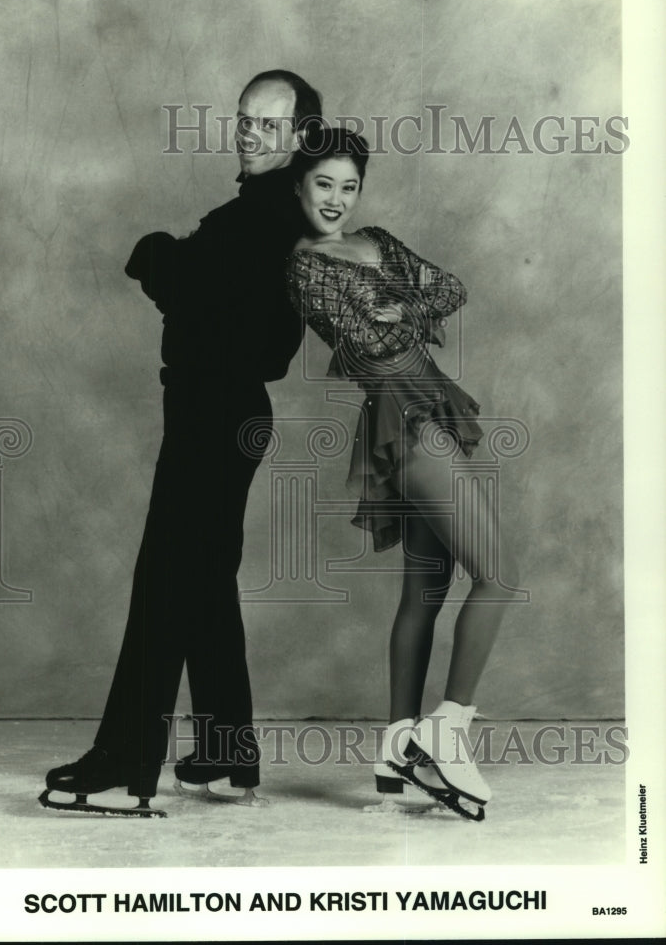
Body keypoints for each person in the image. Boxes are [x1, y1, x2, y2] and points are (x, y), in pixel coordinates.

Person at [39, 70, 323, 817]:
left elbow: (194, 293)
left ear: (300, 137)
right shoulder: (261, 213)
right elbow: (201, 294)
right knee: (200, 582)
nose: (250, 133)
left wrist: (160, 251)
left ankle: (124, 760)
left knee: (166, 580)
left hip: (214, 415)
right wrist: (175, 265)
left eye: (269, 125)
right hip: (221, 413)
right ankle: (228, 756)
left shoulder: (260, 219)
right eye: (244, 120)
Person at [286, 127, 519, 821]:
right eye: (322, 184)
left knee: (428, 585)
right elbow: (373, 339)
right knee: (499, 574)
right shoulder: (303, 265)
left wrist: (405, 308)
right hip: (400, 418)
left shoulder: (379, 239)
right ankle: (447, 733)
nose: (335, 199)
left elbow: (453, 287)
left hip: (435, 402)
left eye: (348, 185)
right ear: (299, 186)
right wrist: (406, 310)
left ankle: (394, 749)